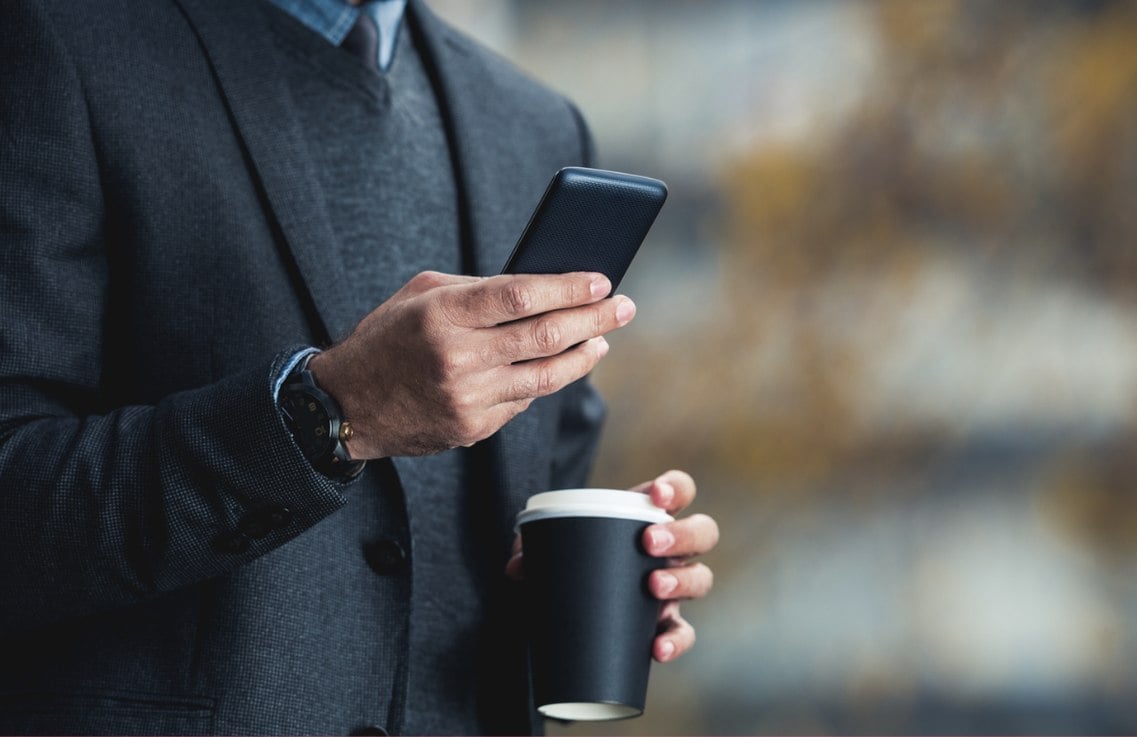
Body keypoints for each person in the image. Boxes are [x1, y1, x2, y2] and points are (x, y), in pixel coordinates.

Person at [0, 0, 719, 734]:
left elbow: (510, 533)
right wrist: (330, 412)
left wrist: (602, 585)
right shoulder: (54, 40)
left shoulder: (535, 127)